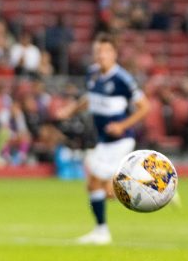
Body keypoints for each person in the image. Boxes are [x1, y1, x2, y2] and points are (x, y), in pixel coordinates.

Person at [55, 33, 150, 245]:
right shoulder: (92, 74)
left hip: (120, 141)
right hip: (104, 141)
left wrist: (121, 125)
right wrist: (71, 109)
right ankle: (150, 188)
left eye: (106, 51)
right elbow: (89, 98)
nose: (101, 55)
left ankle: (152, 189)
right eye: (98, 51)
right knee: (99, 188)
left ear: (114, 54)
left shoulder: (122, 79)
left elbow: (145, 107)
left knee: (97, 184)